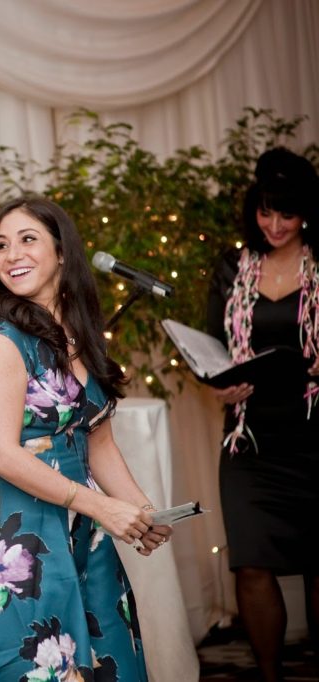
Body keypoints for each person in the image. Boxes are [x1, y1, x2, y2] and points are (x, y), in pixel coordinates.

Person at [0, 196, 172, 681]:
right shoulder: (0, 341)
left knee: (108, 661)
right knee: (26, 663)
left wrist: (142, 512)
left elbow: (99, 444)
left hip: (85, 535)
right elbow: (2, 454)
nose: (11, 254)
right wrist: (101, 506)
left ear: (62, 253)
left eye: (27, 240)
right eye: (1, 245)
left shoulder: (82, 337)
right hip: (20, 541)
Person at [206, 147, 319, 681]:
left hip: (315, 431)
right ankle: (270, 677)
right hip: (249, 439)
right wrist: (219, 387)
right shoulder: (232, 268)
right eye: (265, 211)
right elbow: (213, 349)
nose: (275, 225)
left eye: (288, 214)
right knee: (250, 561)